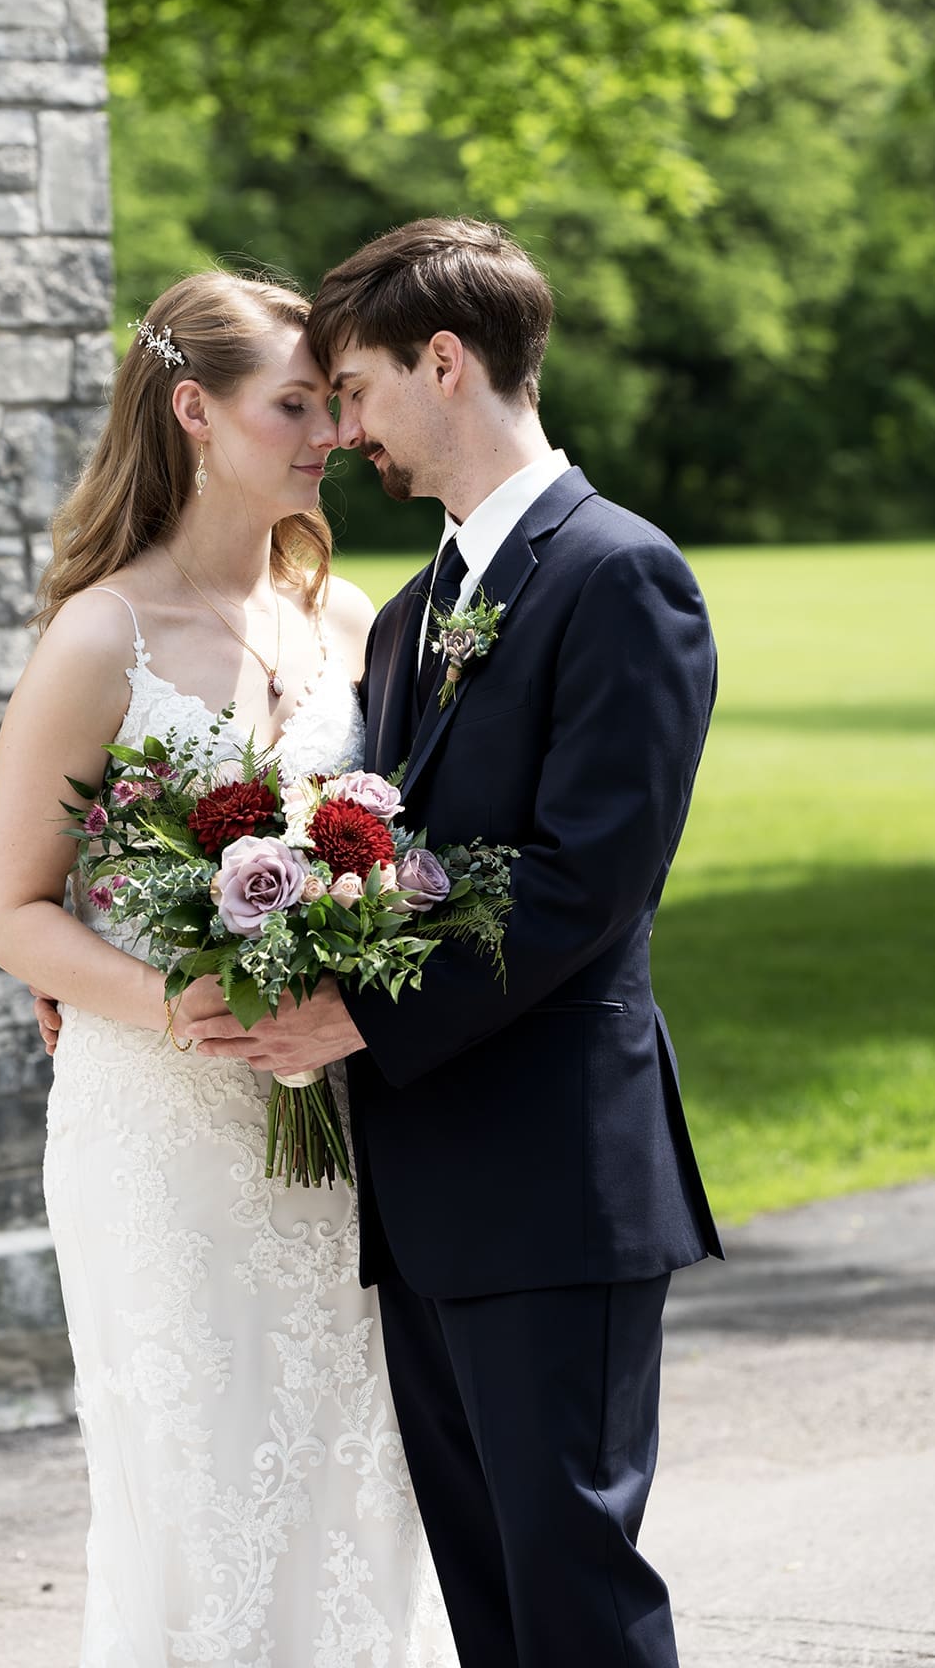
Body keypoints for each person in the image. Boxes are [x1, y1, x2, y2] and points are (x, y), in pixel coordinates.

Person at [171, 219, 723, 1668]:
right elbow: (389, 859)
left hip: (554, 1178)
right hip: (420, 1183)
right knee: (488, 1588)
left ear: (443, 359)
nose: (342, 428)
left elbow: (584, 882)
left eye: (352, 389)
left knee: (570, 1579)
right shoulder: (417, 610)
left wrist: (359, 1022)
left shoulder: (619, 576)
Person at [0, 269, 457, 1666]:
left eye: (333, 402)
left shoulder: (352, 621)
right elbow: (14, 909)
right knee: (196, 1483)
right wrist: (175, 1004)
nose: (331, 433)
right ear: (194, 409)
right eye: (295, 404)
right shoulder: (100, 636)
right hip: (158, 1132)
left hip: (332, 1130)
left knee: (349, 1468)